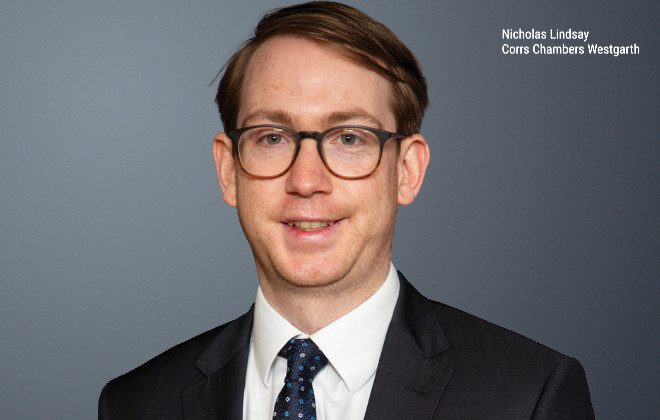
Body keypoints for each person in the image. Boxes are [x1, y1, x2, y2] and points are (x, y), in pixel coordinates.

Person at [98, 2, 595, 419]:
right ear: (229, 170)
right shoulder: (136, 404)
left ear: (406, 170)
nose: (306, 181)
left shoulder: (529, 396)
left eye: (349, 139)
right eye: (272, 138)